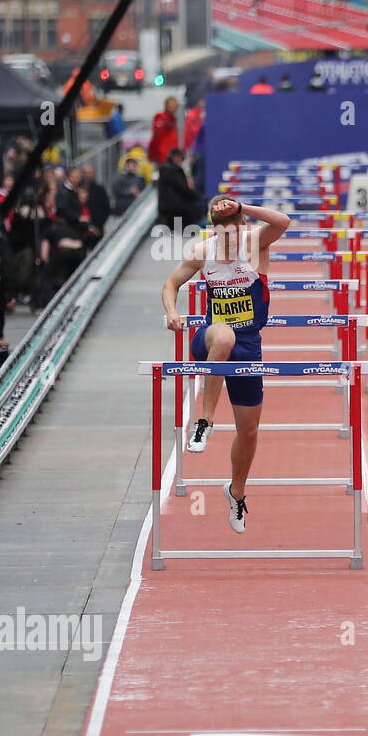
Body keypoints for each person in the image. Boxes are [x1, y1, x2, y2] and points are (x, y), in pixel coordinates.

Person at [161, 196, 291, 533]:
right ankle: (203, 421)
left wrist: (241, 207)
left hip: (249, 345)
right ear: (215, 232)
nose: (231, 243)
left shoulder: (256, 242)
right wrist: (173, 312)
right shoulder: (203, 251)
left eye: (236, 234)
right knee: (224, 337)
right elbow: (171, 283)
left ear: (244, 227)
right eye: (225, 236)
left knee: (248, 431)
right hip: (209, 338)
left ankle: (236, 492)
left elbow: (282, 221)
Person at [156, 149, 200, 229]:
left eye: (180, 157)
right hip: (174, 208)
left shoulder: (168, 169)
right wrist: (195, 195)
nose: (178, 159)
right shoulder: (172, 170)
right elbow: (181, 187)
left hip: (169, 207)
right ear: (172, 158)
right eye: (176, 157)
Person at [147, 97, 180, 166]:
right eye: (170, 105)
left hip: (172, 155)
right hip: (162, 155)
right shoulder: (160, 117)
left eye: (174, 106)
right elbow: (157, 136)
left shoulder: (175, 120)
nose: (172, 108)